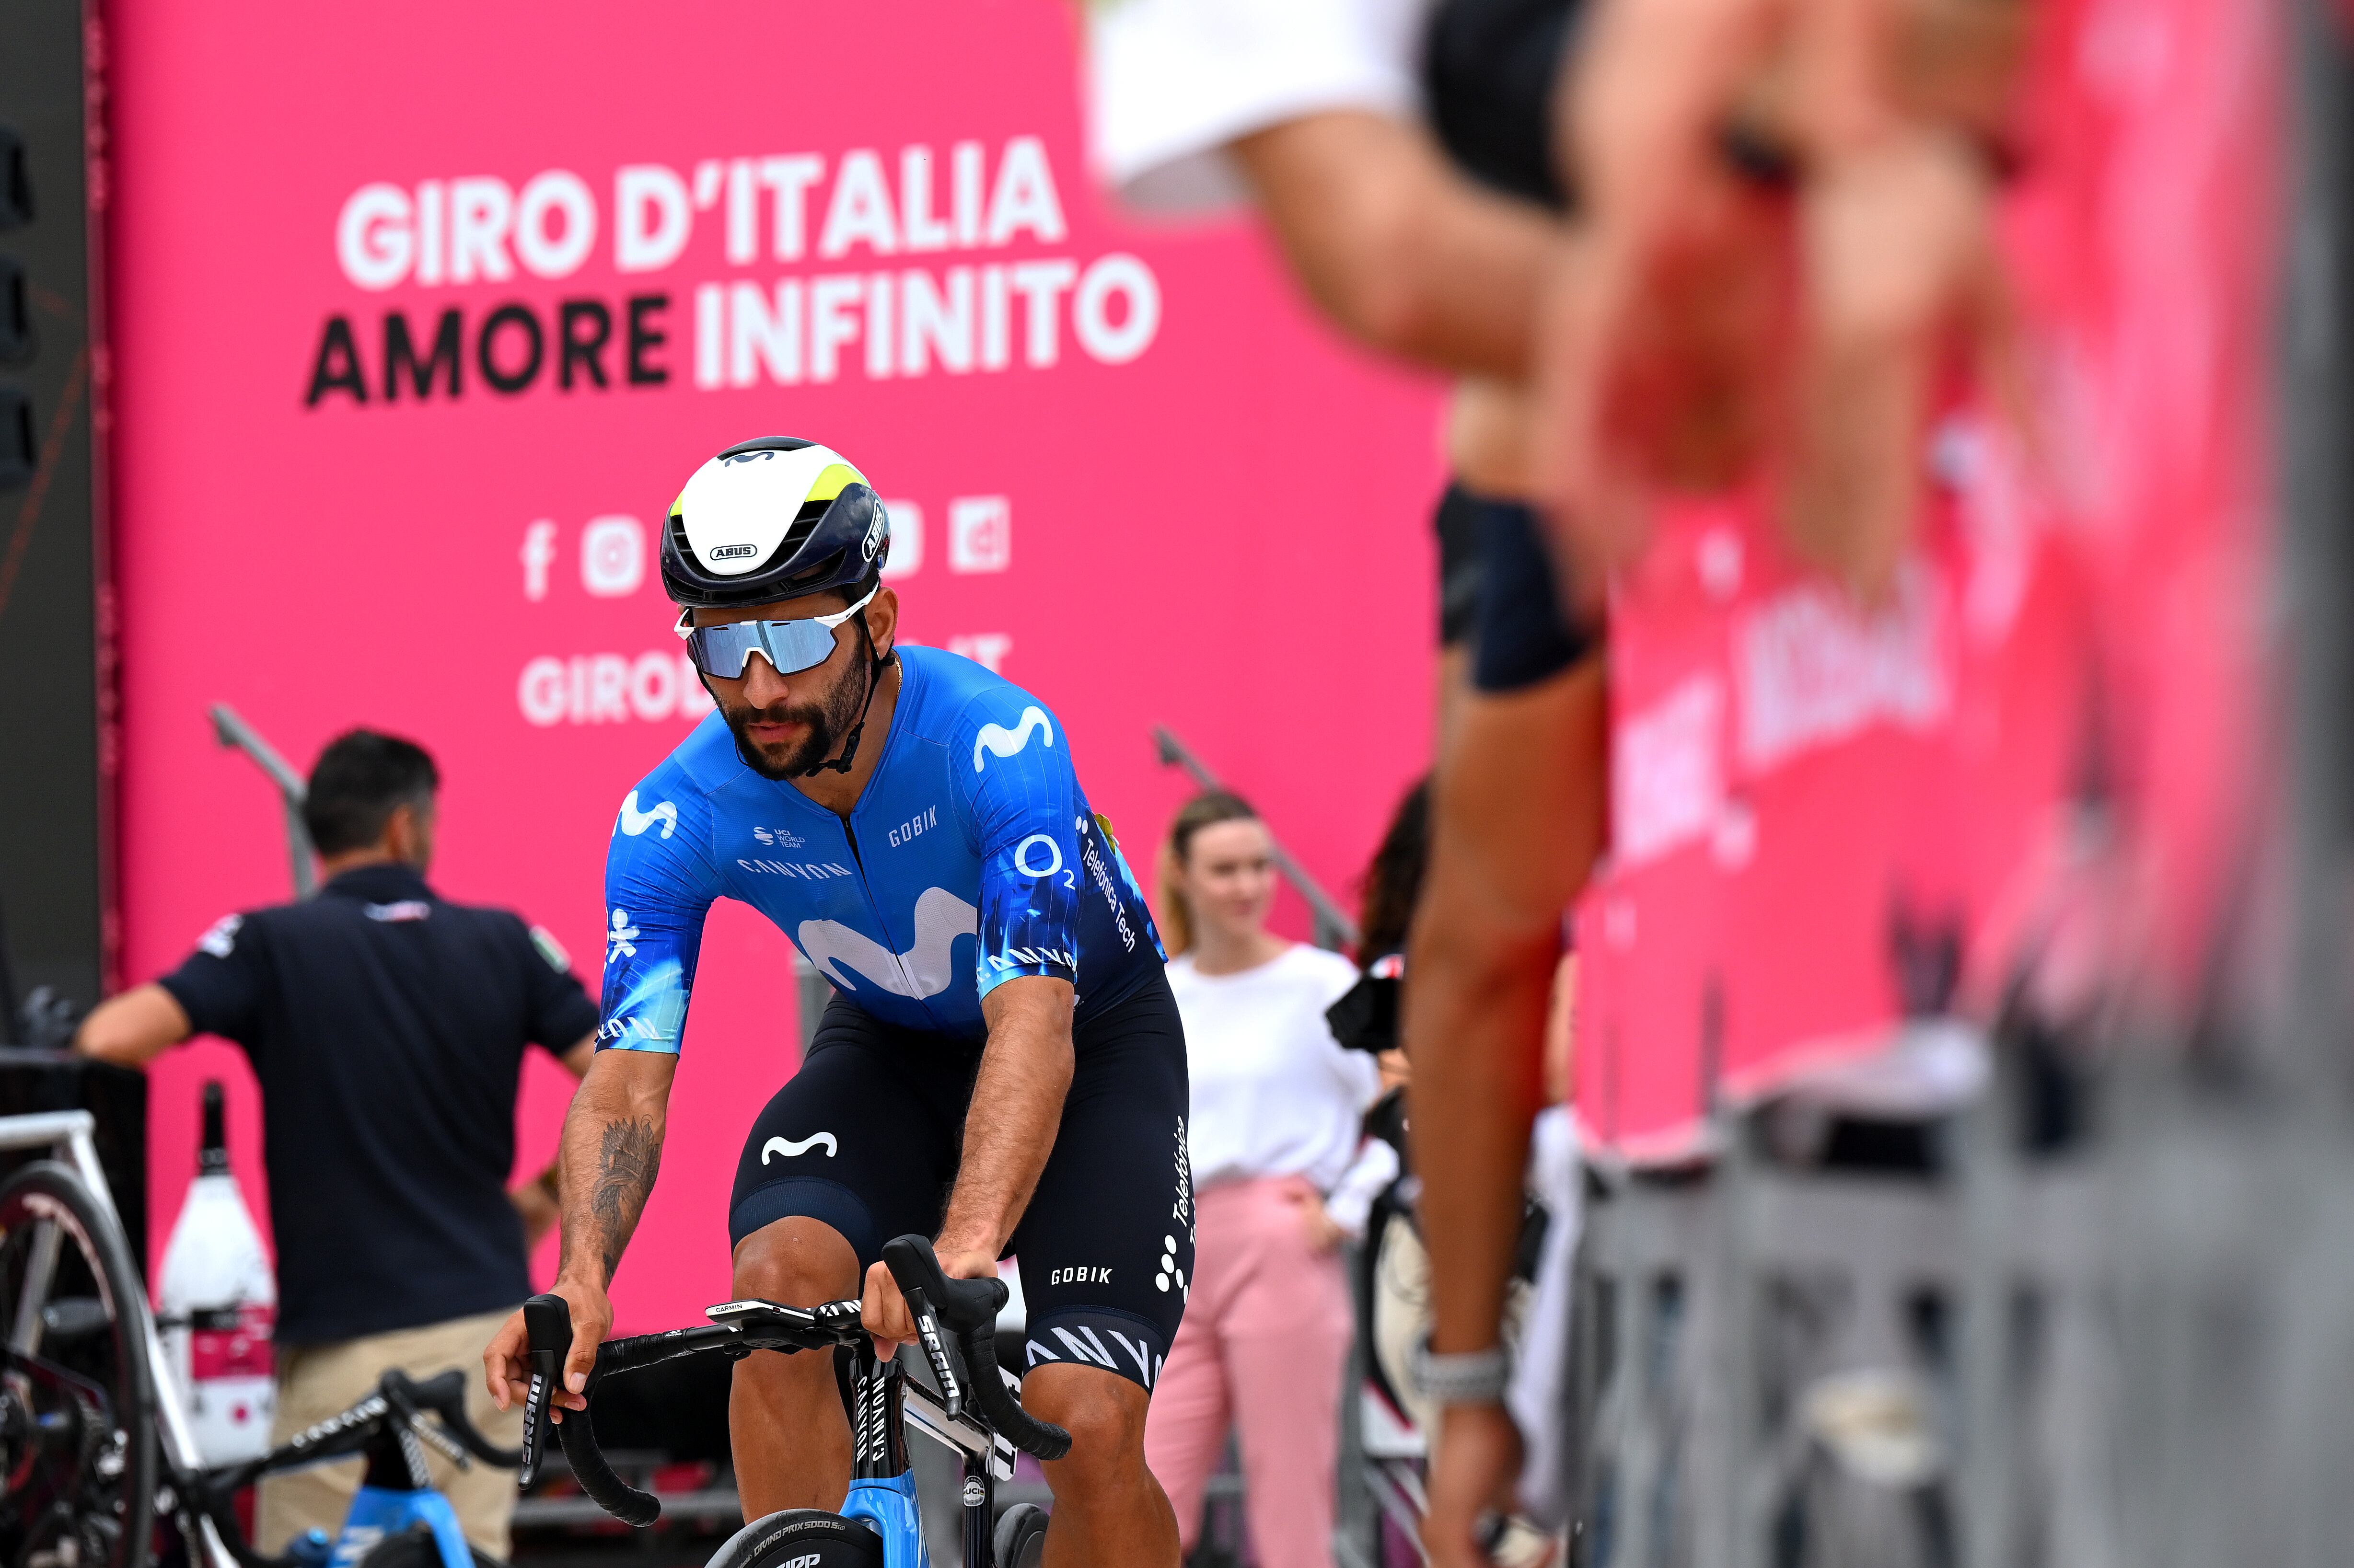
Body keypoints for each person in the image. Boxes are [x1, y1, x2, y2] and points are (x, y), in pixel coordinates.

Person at [480, 437, 1190, 1564]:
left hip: (1088, 1041)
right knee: (774, 1290)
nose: (758, 688)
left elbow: (1032, 1023)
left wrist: (964, 1245)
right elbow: (625, 1072)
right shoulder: (675, 813)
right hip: (892, 1047)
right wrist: (582, 1274)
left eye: (797, 637)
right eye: (722, 644)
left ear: (879, 620)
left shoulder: (997, 743)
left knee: (1085, 1422)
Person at [75, 729, 598, 1557]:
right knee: (464, 1554)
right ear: (405, 828)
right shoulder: (504, 941)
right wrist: (539, 1200)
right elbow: (620, 1080)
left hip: (339, 1345)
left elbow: (108, 1037)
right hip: (483, 1337)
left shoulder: (269, 944)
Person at [1142, 790, 1392, 1565]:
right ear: (1181, 874)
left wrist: (1346, 1207)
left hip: (1281, 1242)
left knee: (1290, 1508)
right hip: (1173, 1254)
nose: (1249, 885)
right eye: (1226, 869)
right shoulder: (1162, 995)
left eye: (1260, 866)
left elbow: (1404, 1105)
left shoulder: (1321, 983)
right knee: (1144, 1496)